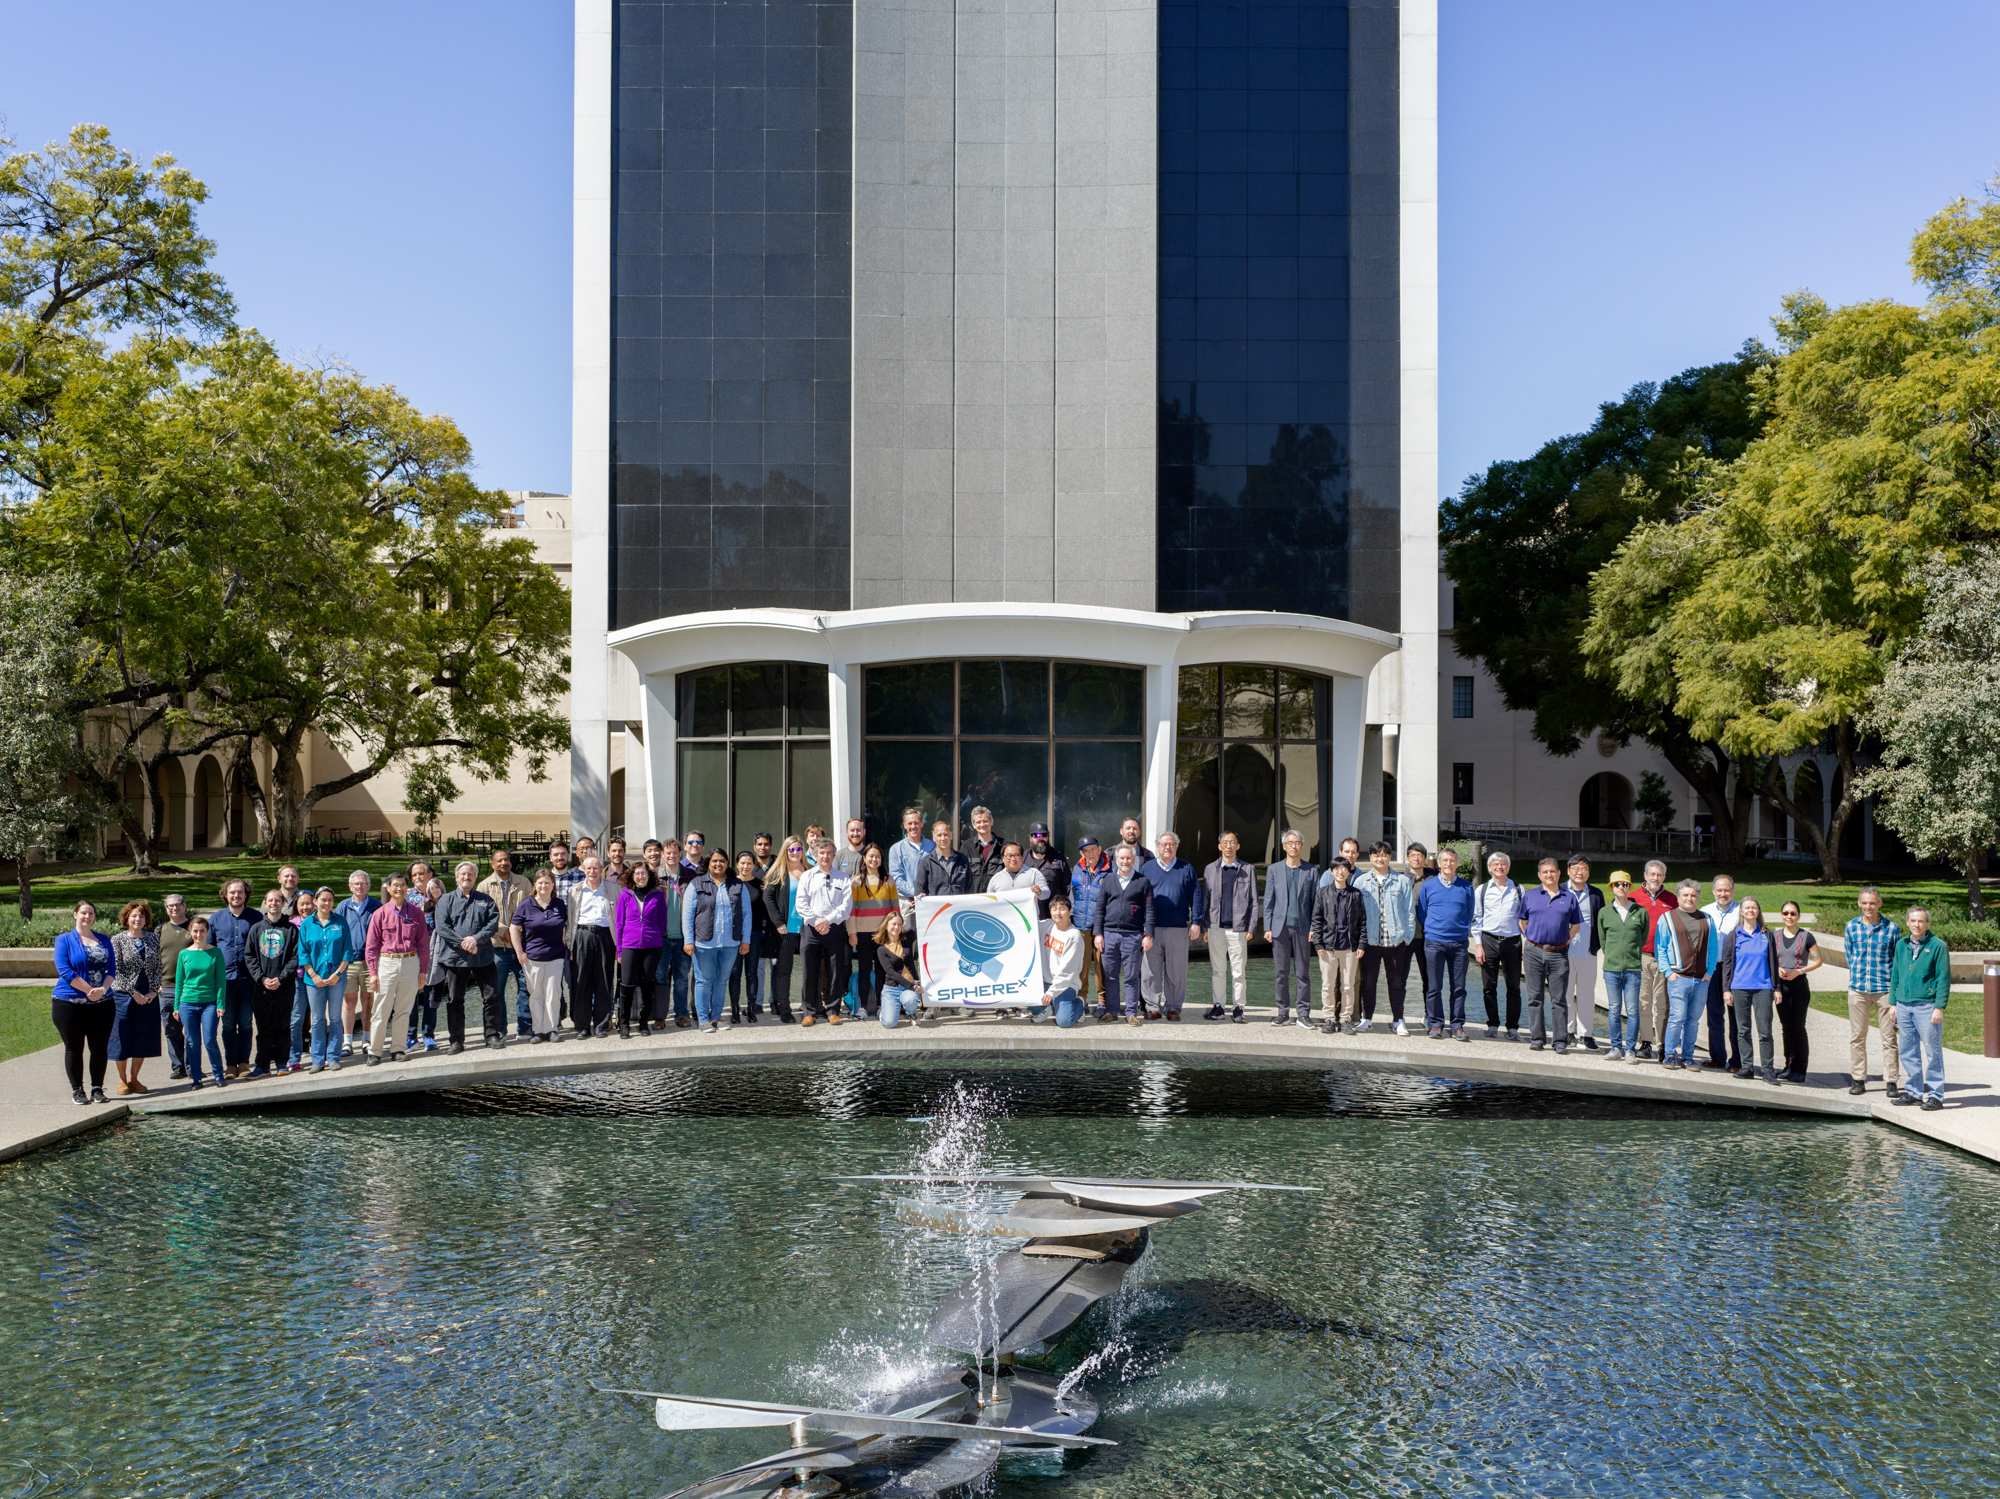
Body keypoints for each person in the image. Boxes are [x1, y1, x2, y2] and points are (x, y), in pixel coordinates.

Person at [434, 861, 506, 1052]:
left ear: (475, 877)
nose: (467, 877)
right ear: (457, 877)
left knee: (492, 997)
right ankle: (456, 1041)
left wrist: (475, 939)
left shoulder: (486, 900)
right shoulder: (445, 900)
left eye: (470, 874)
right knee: (455, 1000)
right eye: (463, 874)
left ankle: (492, 1036)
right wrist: (464, 943)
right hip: (455, 958)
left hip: (483, 957)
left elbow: (492, 924)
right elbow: (443, 928)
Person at [682, 847, 752, 1032]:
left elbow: (746, 914)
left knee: (722, 980)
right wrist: (688, 940)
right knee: (704, 981)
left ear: (727, 863)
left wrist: (745, 940)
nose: (718, 864)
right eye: (714, 861)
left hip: (731, 942)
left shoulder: (737, 885)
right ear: (708, 863)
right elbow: (688, 916)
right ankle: (704, 1019)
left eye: (722, 860)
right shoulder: (696, 884)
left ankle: (717, 1018)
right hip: (704, 942)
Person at [53, 901, 116, 1104]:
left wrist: (102, 990)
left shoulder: (104, 940)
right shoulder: (64, 940)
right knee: (74, 1048)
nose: (87, 917)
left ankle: (97, 1088)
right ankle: (77, 1090)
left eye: (91, 913)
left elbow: (111, 969)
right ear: (75, 915)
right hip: (69, 1003)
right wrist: (89, 990)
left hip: (103, 1004)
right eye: (83, 913)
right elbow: (64, 970)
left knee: (99, 1048)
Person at [1888, 906, 1950, 1110]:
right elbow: (1895, 974)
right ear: (1907, 922)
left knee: (1933, 1052)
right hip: (1903, 1006)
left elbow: (1943, 979)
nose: (1917, 924)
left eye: (1921, 921)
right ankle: (1914, 1093)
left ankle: (1935, 1095)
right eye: (1913, 921)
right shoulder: (1901, 945)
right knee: (1908, 1050)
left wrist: (1939, 1007)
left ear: (1927, 924)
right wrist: (1893, 1003)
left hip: (1927, 1006)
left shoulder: (1938, 946)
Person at [365, 873, 430, 1062]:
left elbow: (424, 944)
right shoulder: (380, 913)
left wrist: (423, 971)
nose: (399, 888)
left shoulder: (416, 913)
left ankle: (398, 1049)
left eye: (402, 885)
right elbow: (371, 947)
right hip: (387, 962)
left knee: (404, 1009)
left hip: (411, 962)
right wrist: (373, 973)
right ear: (389, 888)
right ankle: (375, 1052)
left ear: (407, 888)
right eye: (395, 885)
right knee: (381, 1009)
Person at [1518, 858, 1581, 1054]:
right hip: (1533, 953)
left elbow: (1576, 925)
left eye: (1552, 871)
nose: (1549, 875)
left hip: (1558, 953)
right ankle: (1537, 1038)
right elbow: (1522, 921)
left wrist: (1564, 941)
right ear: (1539, 875)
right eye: (1545, 872)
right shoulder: (1530, 896)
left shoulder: (1569, 898)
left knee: (1559, 999)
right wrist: (1533, 939)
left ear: (1559, 873)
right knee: (1534, 997)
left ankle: (1560, 1040)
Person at [1353, 841, 1417, 1035]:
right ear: (1370, 858)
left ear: (1389, 857)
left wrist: (1407, 936)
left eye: (1384, 855)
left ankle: (1398, 1019)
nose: (1380, 858)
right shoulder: (1360, 882)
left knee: (1396, 983)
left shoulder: (1402, 882)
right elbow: (1355, 913)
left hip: (1395, 940)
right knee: (1369, 981)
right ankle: (1367, 1018)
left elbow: (1409, 912)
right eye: (1375, 855)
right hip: (1370, 941)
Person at [1844, 886, 1901, 1097]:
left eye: (1872, 902)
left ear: (1880, 903)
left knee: (1889, 1037)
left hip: (1884, 989)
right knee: (1857, 1036)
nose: (1869, 906)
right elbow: (1850, 956)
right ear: (1859, 903)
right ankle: (1858, 1079)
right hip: (1858, 989)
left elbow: (1897, 961)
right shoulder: (1851, 927)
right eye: (1865, 902)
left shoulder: (1892, 929)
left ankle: (1891, 1081)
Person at [1718, 896, 1781, 1084]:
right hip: (1739, 988)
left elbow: (1773, 963)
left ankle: (1768, 1070)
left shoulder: (1766, 934)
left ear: (1758, 911)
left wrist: (1776, 988)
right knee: (1742, 1030)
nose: (1750, 910)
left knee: (1765, 1031)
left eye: (1754, 907)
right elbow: (1727, 964)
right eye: (1747, 907)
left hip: (1763, 988)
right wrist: (1726, 989)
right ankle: (1747, 1067)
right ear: (1741, 911)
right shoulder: (1734, 935)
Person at [1654, 880, 1716, 1069]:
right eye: (1685, 895)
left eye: (1693, 895)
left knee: (1693, 1020)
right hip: (1678, 978)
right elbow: (1660, 948)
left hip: (1701, 979)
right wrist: (1668, 972)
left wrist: (1710, 972)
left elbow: (1713, 948)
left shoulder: (1707, 918)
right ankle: (1670, 1055)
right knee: (1677, 1017)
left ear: (1697, 898)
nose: (1689, 898)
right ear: (1679, 897)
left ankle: (1688, 1056)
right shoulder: (1667, 918)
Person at [1138, 834, 1200, 1021]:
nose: (1168, 847)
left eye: (1172, 844)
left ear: (1176, 847)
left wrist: (1196, 922)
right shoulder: (1147, 868)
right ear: (1157, 846)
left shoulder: (1186, 868)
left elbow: (1196, 896)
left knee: (1176, 970)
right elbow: (1140, 896)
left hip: (1178, 928)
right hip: (1152, 929)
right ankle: (1153, 1007)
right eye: (1164, 844)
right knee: (1150, 971)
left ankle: (1173, 1007)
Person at [1415, 847, 1474, 1040]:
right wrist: (1435, 928)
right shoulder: (1428, 886)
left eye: (1452, 860)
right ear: (1438, 863)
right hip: (1434, 942)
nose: (1448, 864)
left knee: (1459, 987)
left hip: (1458, 943)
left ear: (1457, 863)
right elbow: (1423, 912)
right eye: (1445, 860)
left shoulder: (1466, 887)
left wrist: (1459, 929)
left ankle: (1457, 1026)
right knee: (1434, 986)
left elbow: (1470, 912)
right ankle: (1436, 1024)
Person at [1092, 843, 1154, 1025]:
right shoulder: (1109, 880)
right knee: (1110, 975)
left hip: (1133, 936)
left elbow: (1150, 911)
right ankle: (1111, 1011)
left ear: (1134, 860)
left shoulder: (1143, 881)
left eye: (1129, 858)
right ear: (1116, 860)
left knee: (1131, 976)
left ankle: (1131, 1013)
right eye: (1122, 858)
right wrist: (1098, 934)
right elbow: (1100, 909)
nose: (1125, 861)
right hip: (1109, 935)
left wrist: (1148, 935)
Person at [1201, 831, 1258, 1022]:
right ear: (1219, 846)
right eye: (1225, 842)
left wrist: (1251, 927)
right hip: (1215, 928)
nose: (1228, 846)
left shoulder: (1247, 869)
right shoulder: (1210, 869)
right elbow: (1205, 900)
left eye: (1232, 842)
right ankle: (1218, 1006)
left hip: (1238, 929)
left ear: (1238, 846)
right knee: (1217, 969)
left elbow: (1254, 901)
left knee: (1238, 971)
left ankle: (1238, 1008)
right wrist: (1204, 927)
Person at [798, 837, 855, 1027]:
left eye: (829, 852)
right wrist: (817, 922)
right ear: (815, 854)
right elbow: (801, 904)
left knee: (835, 971)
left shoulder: (843, 878)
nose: (825, 856)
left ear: (834, 855)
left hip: (834, 928)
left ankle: (833, 1010)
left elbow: (846, 906)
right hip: (811, 930)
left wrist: (827, 921)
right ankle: (810, 1012)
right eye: (821, 853)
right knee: (809, 972)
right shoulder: (807, 876)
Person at [1262, 829, 1317, 1025]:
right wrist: (1267, 927)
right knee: (1281, 973)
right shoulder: (1274, 870)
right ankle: (1283, 1012)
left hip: (1302, 928)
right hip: (1279, 928)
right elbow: (1268, 900)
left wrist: (1314, 927)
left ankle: (1303, 1014)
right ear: (1284, 846)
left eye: (1297, 843)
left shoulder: (1311, 870)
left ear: (1302, 846)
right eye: (1290, 842)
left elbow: (1315, 903)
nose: (1293, 846)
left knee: (1302, 973)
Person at [107, 900, 162, 1095]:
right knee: (121, 1036)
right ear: (127, 919)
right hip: (123, 996)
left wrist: (153, 991)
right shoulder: (117, 940)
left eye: (141, 915)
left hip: (148, 995)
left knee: (143, 1037)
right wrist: (134, 993)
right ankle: (121, 1081)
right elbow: (115, 971)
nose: (138, 919)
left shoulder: (152, 939)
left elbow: (158, 968)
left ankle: (134, 1079)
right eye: (134, 915)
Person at [296, 887, 353, 1073]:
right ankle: (318, 1060)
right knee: (317, 1020)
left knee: (335, 1018)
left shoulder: (341, 921)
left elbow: (347, 951)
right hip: (314, 978)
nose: (326, 903)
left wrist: (337, 974)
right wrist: (313, 975)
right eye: (323, 900)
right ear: (315, 901)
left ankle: (334, 1057)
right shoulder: (307, 924)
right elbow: (303, 953)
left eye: (330, 900)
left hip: (337, 976)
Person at [244, 888, 299, 1078]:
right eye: (270, 900)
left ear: (283, 904)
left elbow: (295, 958)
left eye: (278, 900)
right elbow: (249, 956)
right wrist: (262, 978)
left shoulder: (291, 929)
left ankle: (282, 1063)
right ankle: (262, 1065)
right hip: (261, 988)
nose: (274, 903)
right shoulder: (256, 928)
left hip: (285, 987)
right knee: (263, 1028)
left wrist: (281, 978)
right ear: (265, 903)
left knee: (283, 1026)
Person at [509, 867, 569, 1042]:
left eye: (547, 883)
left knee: (553, 993)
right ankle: (538, 1030)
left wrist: (565, 946)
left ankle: (551, 1029)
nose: (544, 886)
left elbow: (563, 927)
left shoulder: (558, 904)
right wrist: (520, 952)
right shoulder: (526, 904)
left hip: (556, 957)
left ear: (553, 885)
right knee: (536, 994)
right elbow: (514, 929)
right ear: (535, 884)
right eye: (540, 883)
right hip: (532, 958)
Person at [612, 862, 670, 1040]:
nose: (641, 876)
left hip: (652, 947)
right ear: (632, 876)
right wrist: (620, 951)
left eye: (644, 873)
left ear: (648, 875)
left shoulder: (657, 895)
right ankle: (624, 1023)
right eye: (637, 873)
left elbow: (662, 922)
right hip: (630, 947)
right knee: (627, 985)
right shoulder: (625, 896)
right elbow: (619, 924)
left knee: (647, 984)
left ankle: (644, 1022)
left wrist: (653, 937)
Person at [480, 850, 533, 1037]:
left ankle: (525, 1027)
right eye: (499, 860)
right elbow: (483, 916)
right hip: (496, 947)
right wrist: (505, 931)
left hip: (521, 946)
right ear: (493, 865)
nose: (504, 862)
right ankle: (500, 1029)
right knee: (496, 991)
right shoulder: (484, 886)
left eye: (507, 859)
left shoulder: (524, 883)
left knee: (525, 988)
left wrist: (516, 932)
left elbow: (531, 909)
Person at [1597, 871, 1650, 1063]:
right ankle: (1616, 1047)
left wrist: (1632, 955)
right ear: (1612, 887)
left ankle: (1630, 1050)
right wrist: (1613, 956)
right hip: (1612, 969)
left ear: (1629, 887)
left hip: (1633, 969)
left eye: (1625, 884)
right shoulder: (1604, 912)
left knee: (1633, 1010)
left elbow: (1642, 938)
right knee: (1613, 1008)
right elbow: (1603, 939)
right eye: (1617, 884)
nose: (1621, 887)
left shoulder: (1640, 912)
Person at [1471, 853, 1524, 1040]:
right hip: (1489, 940)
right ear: (1489, 868)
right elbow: (1476, 919)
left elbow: (1525, 918)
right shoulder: (1482, 890)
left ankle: (1512, 1027)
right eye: (1495, 864)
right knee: (1489, 986)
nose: (1499, 867)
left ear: (1508, 868)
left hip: (1513, 941)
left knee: (1514, 987)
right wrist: (1478, 945)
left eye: (1503, 864)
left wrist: (1524, 942)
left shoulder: (1518, 889)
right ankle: (1492, 1024)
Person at [209, 878, 258, 1077]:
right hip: (224, 980)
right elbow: (210, 949)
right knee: (228, 1024)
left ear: (246, 894)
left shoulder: (256, 917)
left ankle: (244, 1062)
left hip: (249, 979)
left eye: (240, 892)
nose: (236, 895)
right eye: (232, 892)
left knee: (246, 1023)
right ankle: (230, 1065)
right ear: (225, 895)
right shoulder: (216, 919)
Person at [1310, 858, 1365, 1033]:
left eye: (1344, 869)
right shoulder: (1323, 893)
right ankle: (1329, 1019)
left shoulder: (1356, 894)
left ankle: (1345, 1019)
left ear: (1349, 872)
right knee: (1327, 985)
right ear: (1332, 871)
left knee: (1348, 986)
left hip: (1350, 948)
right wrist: (1318, 943)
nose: (1340, 871)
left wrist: (1362, 944)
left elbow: (1362, 922)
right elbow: (1316, 920)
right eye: (1337, 868)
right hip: (1328, 947)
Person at [761, 837, 811, 1023]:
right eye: (791, 849)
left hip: (807, 929)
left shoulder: (810, 872)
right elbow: (768, 899)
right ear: (785, 851)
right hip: (786, 930)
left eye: (798, 849)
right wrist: (778, 923)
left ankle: (810, 1008)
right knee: (784, 971)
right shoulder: (778, 872)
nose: (795, 853)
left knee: (810, 969)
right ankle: (784, 1009)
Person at [173, 916, 227, 1090]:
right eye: (195, 931)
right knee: (192, 1042)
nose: (199, 934)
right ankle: (196, 1078)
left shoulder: (215, 952)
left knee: (210, 1039)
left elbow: (220, 981)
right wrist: (176, 1006)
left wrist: (220, 1003)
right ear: (190, 932)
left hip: (209, 1003)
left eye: (202, 930)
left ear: (207, 931)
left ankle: (219, 1075)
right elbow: (179, 981)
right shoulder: (184, 954)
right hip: (187, 1003)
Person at [1629, 861, 1675, 1060]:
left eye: (1659, 875)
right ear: (1645, 875)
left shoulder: (1672, 899)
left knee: (1663, 1004)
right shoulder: (1633, 897)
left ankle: (1662, 1044)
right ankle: (1646, 1042)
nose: (1655, 878)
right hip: (1642, 957)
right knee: (1643, 1002)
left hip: (1665, 959)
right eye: (1652, 874)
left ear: (1664, 877)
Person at [848, 843, 899, 1018]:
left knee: (882, 971)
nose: (874, 859)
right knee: (863, 969)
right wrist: (852, 932)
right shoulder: (855, 881)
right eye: (870, 856)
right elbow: (851, 910)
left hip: (883, 934)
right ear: (864, 858)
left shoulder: (889, 880)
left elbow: (895, 909)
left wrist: (895, 932)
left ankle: (880, 1006)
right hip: (862, 933)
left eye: (877, 856)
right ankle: (862, 1007)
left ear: (881, 859)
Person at [1699, 876, 1743, 1071]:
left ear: (1733, 891)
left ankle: (1737, 1060)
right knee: (1714, 1015)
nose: (1723, 894)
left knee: (1737, 1017)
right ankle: (1717, 1057)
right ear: (1713, 891)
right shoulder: (1704, 912)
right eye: (1719, 890)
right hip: (1712, 969)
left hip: (1736, 970)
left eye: (1726, 890)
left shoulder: (1743, 911)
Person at [334, 871, 380, 1057]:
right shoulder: (342, 907)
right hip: (349, 961)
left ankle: (367, 1039)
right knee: (349, 1001)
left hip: (371, 962)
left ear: (369, 886)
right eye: (356, 884)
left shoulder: (376, 906)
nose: (359, 886)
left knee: (368, 1001)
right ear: (350, 886)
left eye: (363, 883)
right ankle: (347, 1042)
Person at [1774, 900, 1820, 1082]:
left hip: (1799, 985)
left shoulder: (1806, 937)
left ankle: (1800, 1069)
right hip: (1780, 986)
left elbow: (1818, 960)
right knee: (1786, 1027)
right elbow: (1770, 959)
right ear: (1782, 915)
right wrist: (1776, 968)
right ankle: (1788, 1066)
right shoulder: (1775, 936)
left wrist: (1799, 971)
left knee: (1798, 1027)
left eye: (1793, 913)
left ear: (1799, 916)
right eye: (1786, 913)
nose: (1789, 917)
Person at [1563, 855, 1606, 1050]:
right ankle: (1567, 1032)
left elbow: (1601, 922)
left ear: (1589, 873)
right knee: (1564, 995)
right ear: (1568, 871)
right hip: (1563, 952)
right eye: (1576, 868)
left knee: (1587, 996)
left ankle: (1585, 1035)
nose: (1580, 872)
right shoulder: (1560, 890)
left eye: (1584, 869)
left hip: (1588, 952)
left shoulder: (1596, 894)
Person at [1069, 835, 1111, 1012]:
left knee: (1102, 963)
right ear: (1082, 853)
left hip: (1103, 925)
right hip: (1081, 924)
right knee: (1082, 964)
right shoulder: (1077, 868)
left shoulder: (1111, 869)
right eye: (1086, 850)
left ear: (1100, 849)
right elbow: (1071, 894)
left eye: (1093, 849)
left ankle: (1103, 1000)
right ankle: (1083, 998)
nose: (1090, 853)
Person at [654, 841, 693, 1029]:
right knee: (660, 978)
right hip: (661, 938)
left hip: (683, 937)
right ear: (663, 853)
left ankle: (681, 1014)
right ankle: (660, 1015)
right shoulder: (654, 876)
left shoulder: (689, 876)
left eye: (675, 853)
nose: (672, 856)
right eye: (668, 853)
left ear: (680, 853)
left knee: (682, 978)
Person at [731, 850, 771, 1022]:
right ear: (737, 865)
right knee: (734, 973)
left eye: (749, 863)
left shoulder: (761, 884)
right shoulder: (730, 884)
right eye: (742, 863)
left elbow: (765, 910)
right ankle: (734, 1010)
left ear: (754, 865)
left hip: (755, 935)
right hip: (733, 936)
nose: (746, 866)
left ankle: (752, 1008)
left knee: (752, 973)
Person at [158, 894, 193, 1080]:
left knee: (191, 1030)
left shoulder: (194, 928)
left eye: (178, 904)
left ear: (184, 905)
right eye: (170, 906)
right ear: (166, 909)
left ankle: (191, 1065)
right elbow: (154, 960)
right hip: (167, 988)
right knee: (171, 1030)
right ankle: (178, 1066)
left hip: (190, 988)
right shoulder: (160, 930)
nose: (174, 908)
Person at [1040, 897, 1088, 1027]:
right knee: (1026, 994)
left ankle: (1079, 1004)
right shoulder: (1046, 925)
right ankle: (1047, 1009)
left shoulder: (1074, 936)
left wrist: (1052, 992)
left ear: (1070, 911)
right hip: (1045, 981)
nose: (1058, 913)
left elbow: (1067, 971)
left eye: (1062, 909)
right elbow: (1026, 924)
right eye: (1054, 909)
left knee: (1064, 1021)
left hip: (1066, 984)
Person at [875, 909, 927, 1028]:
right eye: (893, 924)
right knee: (889, 1024)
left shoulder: (907, 938)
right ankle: (884, 1011)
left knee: (910, 1001)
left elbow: (921, 922)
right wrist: (912, 986)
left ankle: (912, 1013)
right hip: (892, 988)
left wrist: (917, 905)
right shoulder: (881, 950)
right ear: (886, 925)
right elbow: (891, 973)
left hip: (909, 985)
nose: (896, 927)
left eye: (899, 924)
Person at [888, 806, 935, 929]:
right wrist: (918, 894)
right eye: (910, 823)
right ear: (904, 825)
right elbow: (897, 880)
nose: (913, 826)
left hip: (930, 901)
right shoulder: (896, 849)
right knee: (907, 943)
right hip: (906, 902)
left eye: (916, 823)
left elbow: (938, 875)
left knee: (928, 941)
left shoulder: (933, 847)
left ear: (922, 824)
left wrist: (925, 897)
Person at [1024, 824, 1069, 923]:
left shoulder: (1059, 859)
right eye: (1036, 835)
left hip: (1053, 917)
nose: (1041, 839)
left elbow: (1067, 888)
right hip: (1029, 916)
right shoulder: (1023, 860)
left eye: (1044, 835)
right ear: (1030, 838)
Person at [965, 805, 1006, 893]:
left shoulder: (1004, 846)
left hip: (997, 900)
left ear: (991, 822)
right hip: (973, 901)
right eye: (978, 822)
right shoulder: (967, 846)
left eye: (985, 821)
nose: (982, 824)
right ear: (974, 825)